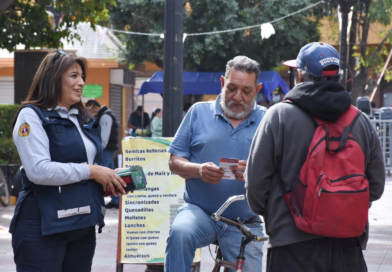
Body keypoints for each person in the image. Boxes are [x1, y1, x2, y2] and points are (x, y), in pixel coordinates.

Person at [245, 42, 385, 272]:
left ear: (300, 75)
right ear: (339, 76)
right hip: (348, 245)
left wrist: (277, 213)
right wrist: (341, 206)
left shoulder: (278, 116)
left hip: (291, 244)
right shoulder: (361, 121)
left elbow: (256, 187)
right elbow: (377, 187)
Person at [10, 50, 127, 272]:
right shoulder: (32, 116)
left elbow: (87, 167)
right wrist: (92, 171)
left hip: (83, 224)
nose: (81, 82)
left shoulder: (82, 117)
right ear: (53, 79)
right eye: (73, 76)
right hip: (42, 224)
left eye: (82, 77)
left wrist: (107, 180)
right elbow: (38, 170)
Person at [165, 56, 266, 272]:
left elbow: (282, 172)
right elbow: (174, 161)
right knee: (180, 232)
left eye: (246, 91)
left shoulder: (267, 120)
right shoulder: (197, 112)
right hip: (200, 212)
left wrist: (255, 172)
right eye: (231, 88)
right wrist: (198, 170)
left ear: (257, 89)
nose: (237, 97)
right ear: (222, 83)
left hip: (245, 222)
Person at [86, 100, 120, 209]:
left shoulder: (105, 116)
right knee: (111, 174)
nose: (90, 113)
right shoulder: (105, 115)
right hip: (108, 149)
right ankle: (116, 199)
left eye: (90, 110)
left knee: (102, 175)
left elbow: (104, 138)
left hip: (106, 149)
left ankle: (99, 200)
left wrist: (98, 150)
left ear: (95, 108)